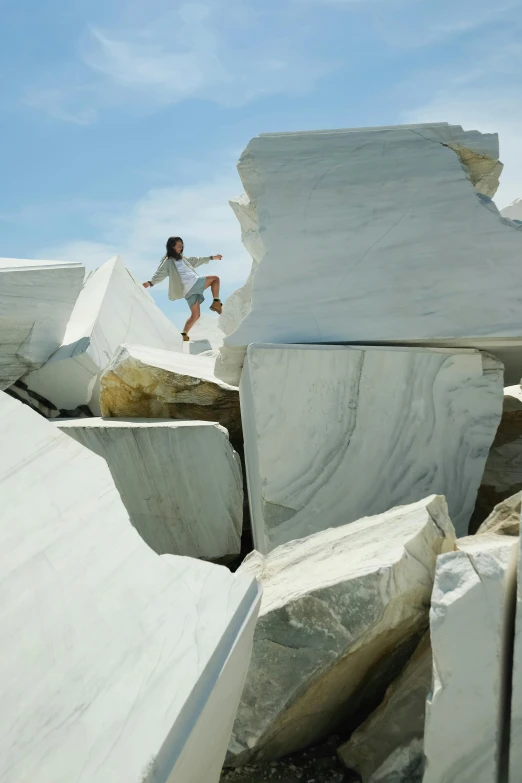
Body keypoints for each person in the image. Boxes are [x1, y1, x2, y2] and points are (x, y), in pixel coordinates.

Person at [143, 237, 223, 341]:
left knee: (196, 315)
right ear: (172, 246)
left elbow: (197, 260)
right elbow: (160, 273)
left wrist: (212, 257)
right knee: (215, 279)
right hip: (193, 283)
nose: (181, 247)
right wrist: (150, 282)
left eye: (182, 245)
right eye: (178, 245)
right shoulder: (168, 261)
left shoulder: (183, 259)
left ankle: (184, 334)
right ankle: (216, 302)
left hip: (187, 291)